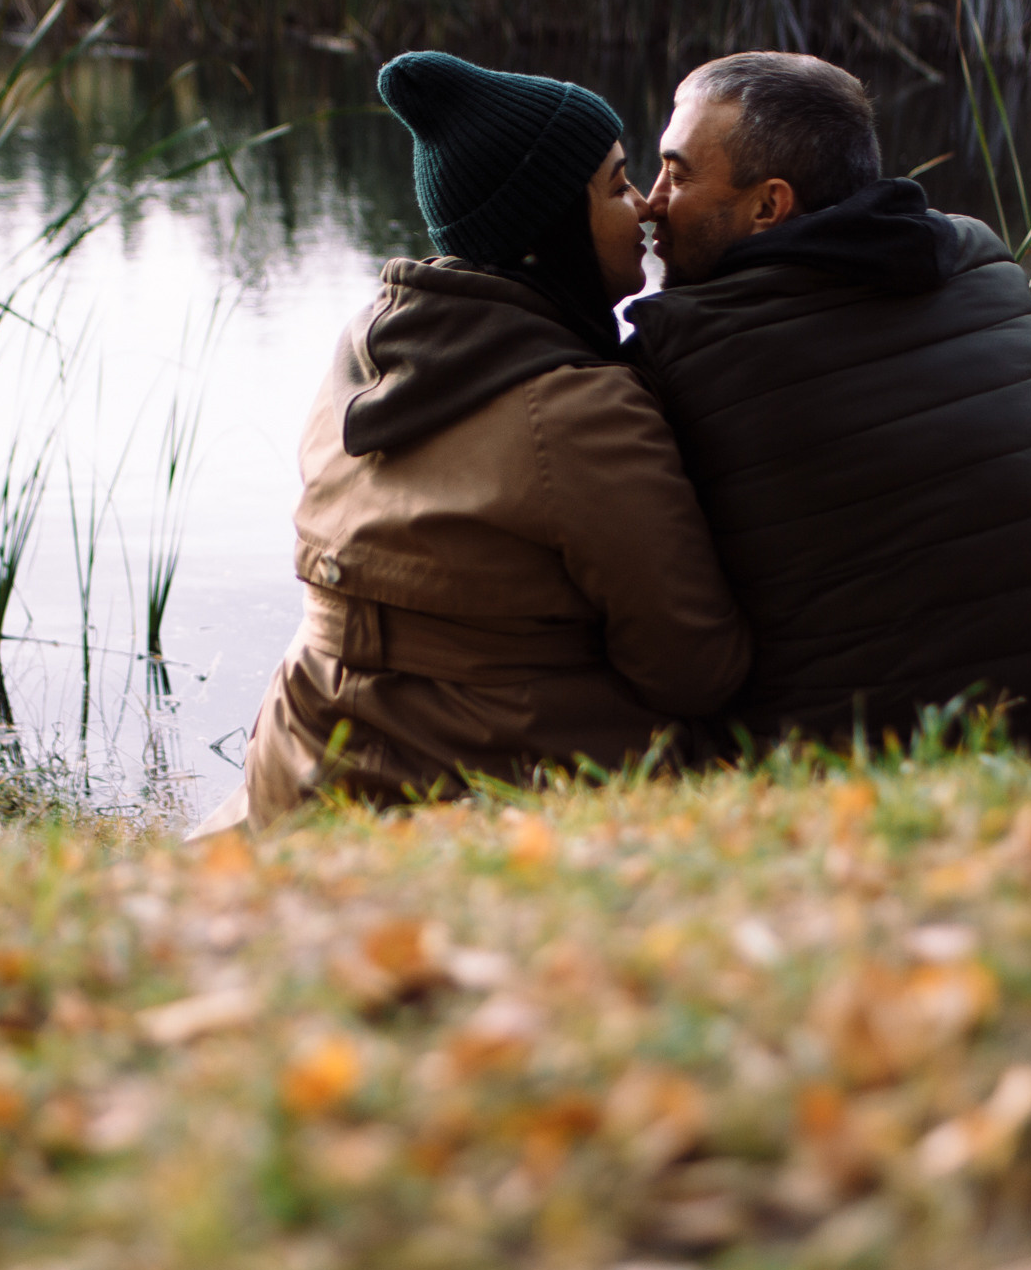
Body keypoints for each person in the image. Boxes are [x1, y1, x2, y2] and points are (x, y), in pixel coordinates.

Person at [195, 52, 750, 834]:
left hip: (300, 758)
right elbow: (695, 668)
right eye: (618, 185)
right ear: (550, 225)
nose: (645, 209)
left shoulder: (369, 348)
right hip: (462, 783)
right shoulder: (577, 408)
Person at [628, 50, 1031, 748]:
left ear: (769, 205)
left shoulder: (680, 349)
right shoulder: (981, 260)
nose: (650, 199)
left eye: (677, 173)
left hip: (852, 750)